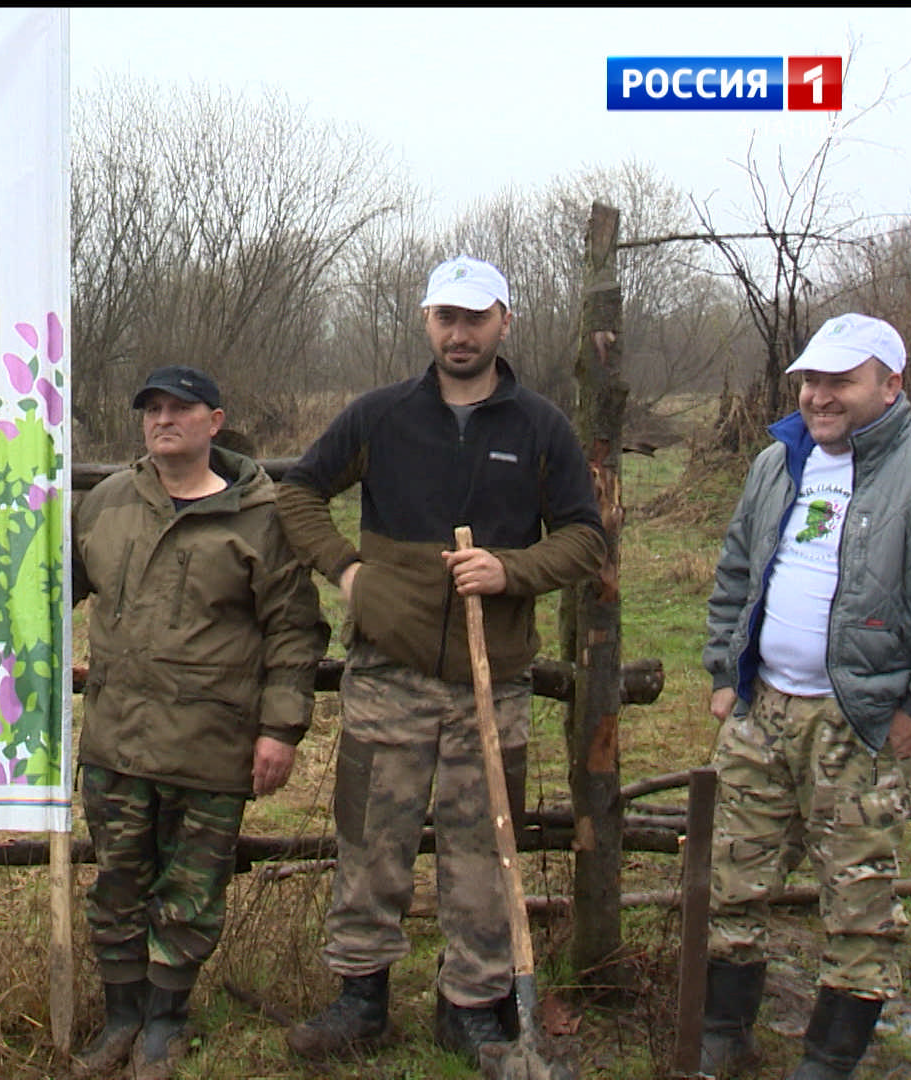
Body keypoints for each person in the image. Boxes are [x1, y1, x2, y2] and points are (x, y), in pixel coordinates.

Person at [276, 255, 605, 1064]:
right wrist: (349, 572)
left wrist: (511, 570)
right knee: (370, 837)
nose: (460, 334)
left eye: (476, 318)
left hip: (492, 681)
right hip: (388, 670)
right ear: (427, 322)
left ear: (504, 322)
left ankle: (472, 1004)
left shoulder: (538, 427)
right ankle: (361, 998)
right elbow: (298, 493)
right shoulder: (382, 416)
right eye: (445, 318)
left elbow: (585, 537)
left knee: (484, 846)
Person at [698, 314, 911, 1080]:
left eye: (839, 381)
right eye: (810, 380)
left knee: (857, 896)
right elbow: (734, 577)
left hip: (864, 723)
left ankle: (828, 1057)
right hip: (764, 712)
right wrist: (728, 676)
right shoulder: (778, 463)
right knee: (734, 875)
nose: (819, 396)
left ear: (891, 383)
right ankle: (723, 1032)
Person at [69, 365, 328, 1079]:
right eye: (151, 408)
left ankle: (164, 1025)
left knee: (189, 895)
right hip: (117, 741)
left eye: (179, 408)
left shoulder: (260, 517)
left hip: (212, 747)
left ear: (215, 421)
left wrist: (280, 731)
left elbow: (294, 631)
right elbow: (48, 588)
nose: (162, 419)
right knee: (116, 886)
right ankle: (120, 1019)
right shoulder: (105, 504)